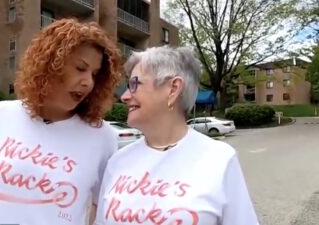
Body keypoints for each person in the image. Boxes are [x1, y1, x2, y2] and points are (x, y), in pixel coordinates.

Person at [0, 18, 122, 225]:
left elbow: (102, 206)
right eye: (80, 68)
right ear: (50, 64)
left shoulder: (102, 136)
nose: (88, 82)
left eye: (94, 75)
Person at [94, 46, 260, 225]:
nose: (125, 96)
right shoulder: (118, 162)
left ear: (173, 89)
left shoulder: (219, 159)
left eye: (135, 84)